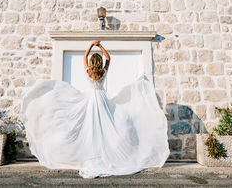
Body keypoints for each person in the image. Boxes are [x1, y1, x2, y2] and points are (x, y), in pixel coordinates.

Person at [21, 41, 169, 178]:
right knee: (105, 127)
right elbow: (109, 58)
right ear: (100, 63)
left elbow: (85, 56)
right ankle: (105, 155)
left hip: (92, 100)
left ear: (92, 63)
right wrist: (101, 46)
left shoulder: (88, 72)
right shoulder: (103, 72)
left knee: (91, 128)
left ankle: (92, 155)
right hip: (102, 99)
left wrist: (92, 45)